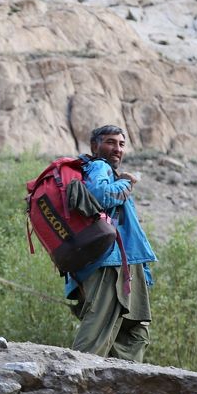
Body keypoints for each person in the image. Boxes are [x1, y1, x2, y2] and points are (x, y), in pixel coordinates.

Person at [65, 124, 157, 362]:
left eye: (121, 144)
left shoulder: (105, 171)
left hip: (124, 263)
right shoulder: (98, 166)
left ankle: (123, 389)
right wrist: (128, 182)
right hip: (110, 264)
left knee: (134, 333)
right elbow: (99, 195)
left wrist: (143, 272)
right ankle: (73, 382)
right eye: (110, 142)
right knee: (98, 333)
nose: (117, 149)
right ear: (95, 146)